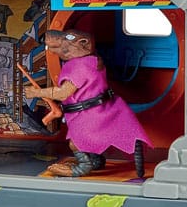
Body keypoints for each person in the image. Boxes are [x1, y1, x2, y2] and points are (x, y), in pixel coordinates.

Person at [23, 28, 150, 178]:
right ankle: (95, 160)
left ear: (83, 44)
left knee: (76, 142)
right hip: (95, 109)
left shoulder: (81, 66)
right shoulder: (92, 60)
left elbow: (63, 93)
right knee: (85, 140)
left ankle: (82, 167)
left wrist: (36, 92)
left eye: (69, 38)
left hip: (91, 113)